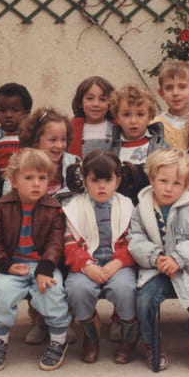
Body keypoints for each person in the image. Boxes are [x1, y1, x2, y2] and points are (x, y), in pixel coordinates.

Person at [128, 148, 189, 374]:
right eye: (163, 181)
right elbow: (135, 238)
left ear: (186, 185)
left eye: (177, 183)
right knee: (144, 300)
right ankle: (151, 344)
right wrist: (155, 257)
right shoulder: (141, 209)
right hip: (156, 267)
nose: (169, 188)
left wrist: (178, 258)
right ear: (152, 180)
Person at [0, 148, 71, 372]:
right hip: (12, 264)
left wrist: (45, 268)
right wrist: (5, 265)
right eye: (29, 178)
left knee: (52, 291)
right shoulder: (0, 208)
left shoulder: (54, 209)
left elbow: (56, 243)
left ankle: (58, 340)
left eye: (42, 178)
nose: (36, 184)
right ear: (14, 181)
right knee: (0, 293)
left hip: (44, 265)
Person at [62, 150, 138, 364]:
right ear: (85, 180)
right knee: (77, 289)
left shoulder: (128, 206)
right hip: (87, 262)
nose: (101, 186)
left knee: (124, 288)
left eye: (108, 180)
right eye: (95, 181)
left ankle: (129, 337)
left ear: (118, 181)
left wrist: (118, 262)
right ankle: (91, 335)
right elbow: (69, 244)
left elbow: (134, 241)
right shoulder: (73, 208)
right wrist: (86, 265)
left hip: (118, 262)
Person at [109, 83, 168, 204]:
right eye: (126, 114)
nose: (133, 121)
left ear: (150, 116)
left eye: (140, 114)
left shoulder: (161, 147)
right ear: (117, 117)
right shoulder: (109, 149)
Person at [0, 83, 33, 201]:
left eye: (15, 110)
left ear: (27, 113)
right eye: (3, 110)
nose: (8, 115)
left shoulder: (31, 139)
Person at [19, 107, 80, 200]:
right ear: (36, 140)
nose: (59, 145)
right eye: (53, 140)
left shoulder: (74, 164)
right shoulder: (22, 164)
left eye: (63, 139)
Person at [151, 59, 189, 150]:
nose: (175, 93)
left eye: (182, 87)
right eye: (169, 88)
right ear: (161, 93)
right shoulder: (154, 125)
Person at [68, 76, 115, 158]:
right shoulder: (70, 130)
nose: (96, 104)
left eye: (102, 99)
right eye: (90, 98)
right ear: (80, 103)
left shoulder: (117, 129)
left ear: (110, 103)